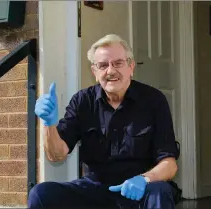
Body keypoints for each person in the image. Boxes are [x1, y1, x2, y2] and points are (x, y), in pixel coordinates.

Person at [29, 34, 179, 209]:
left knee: (160, 192)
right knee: (42, 194)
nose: (110, 71)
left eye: (118, 63)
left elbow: (170, 165)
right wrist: (49, 124)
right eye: (103, 65)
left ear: (131, 67)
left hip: (140, 189)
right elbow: (56, 154)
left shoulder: (154, 100)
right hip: (95, 189)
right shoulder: (82, 101)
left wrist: (145, 179)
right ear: (94, 72)